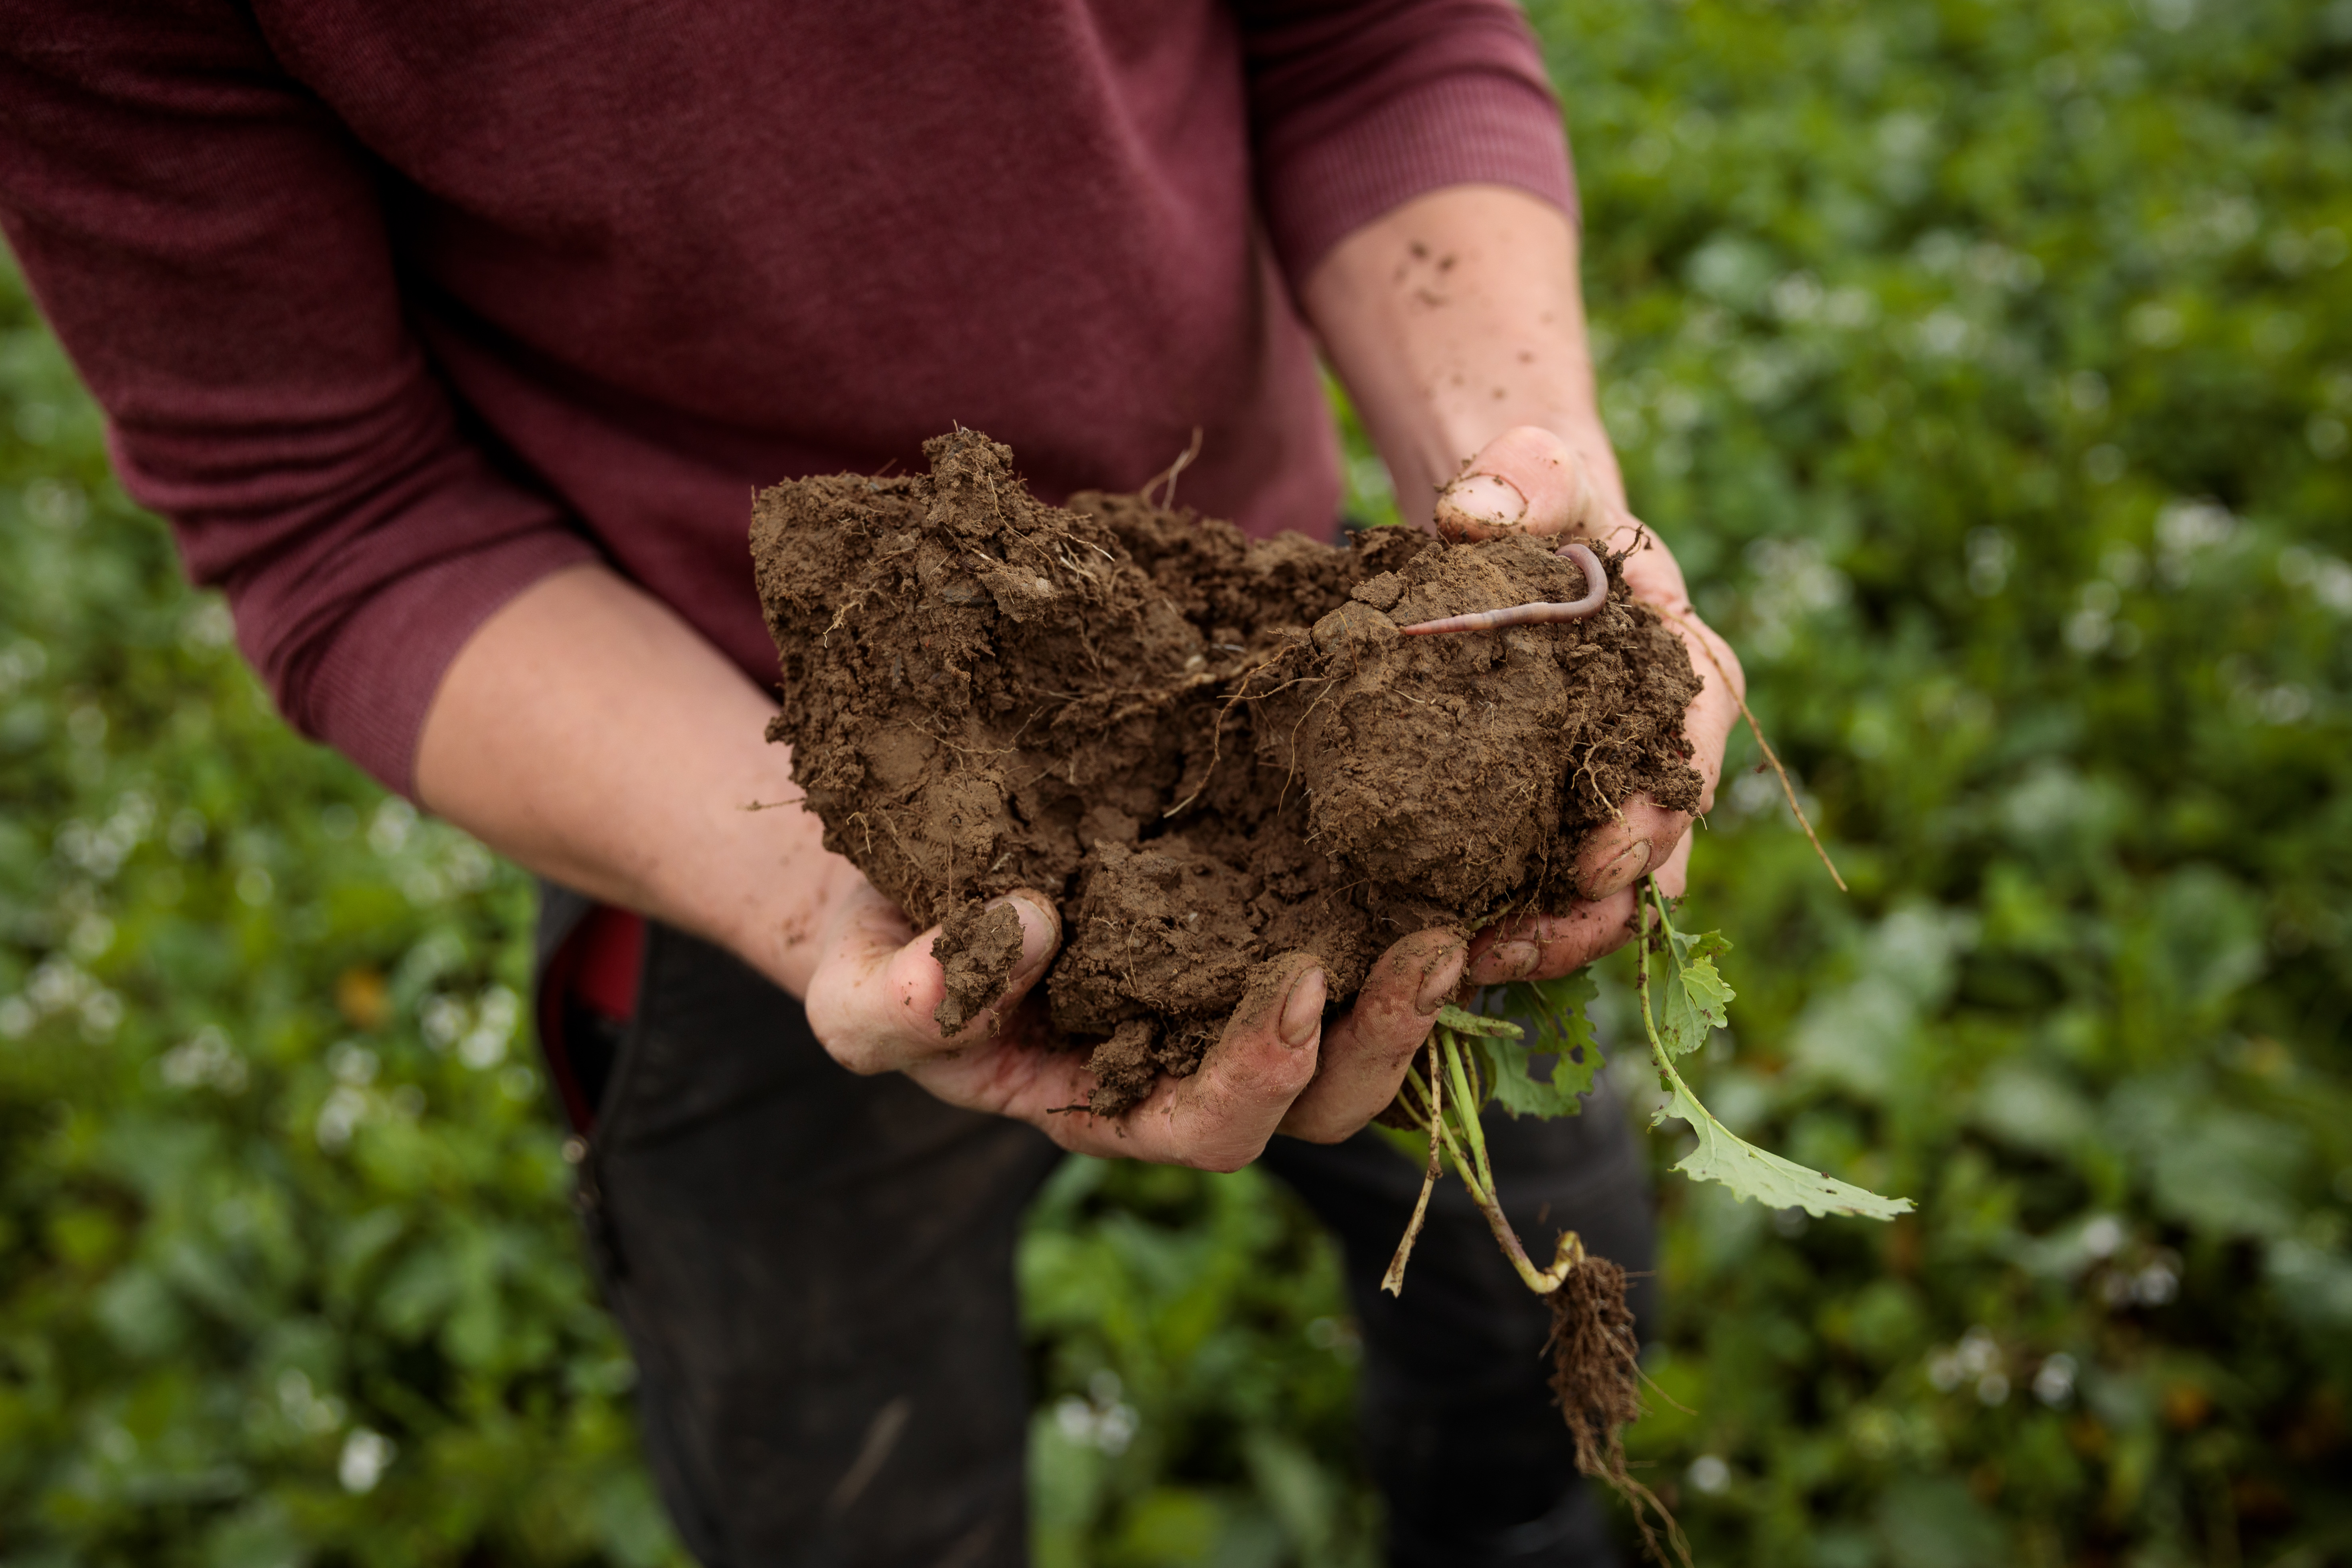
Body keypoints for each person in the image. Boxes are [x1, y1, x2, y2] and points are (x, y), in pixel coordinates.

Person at [2, 2, 1739, 1562]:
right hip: (757, 811)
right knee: (846, 1481)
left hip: (1327, 677)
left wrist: (1522, 511)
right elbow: (339, 509)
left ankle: (1520, 1523)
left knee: (1540, 1284)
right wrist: (804, 892)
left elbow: (1369, 37)